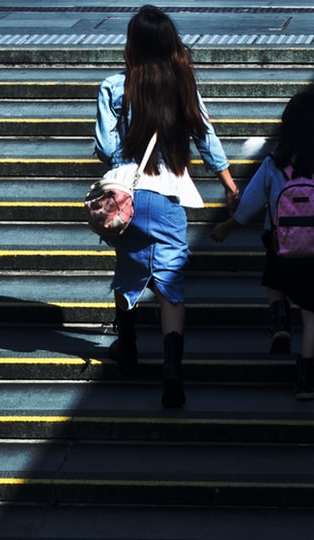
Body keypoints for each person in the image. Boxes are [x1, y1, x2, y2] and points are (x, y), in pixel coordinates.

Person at [95, 4, 240, 408]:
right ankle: (172, 368)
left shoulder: (112, 87)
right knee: (170, 285)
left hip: (128, 196)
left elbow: (107, 149)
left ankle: (127, 350)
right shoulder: (182, 87)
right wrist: (229, 184)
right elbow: (206, 137)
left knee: (127, 270)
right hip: (171, 194)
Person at [211, 91, 314, 400]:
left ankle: (279, 318)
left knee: (274, 279)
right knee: (311, 309)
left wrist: (226, 227)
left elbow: (250, 204)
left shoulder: (272, 166)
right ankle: (305, 380)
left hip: (281, 246)